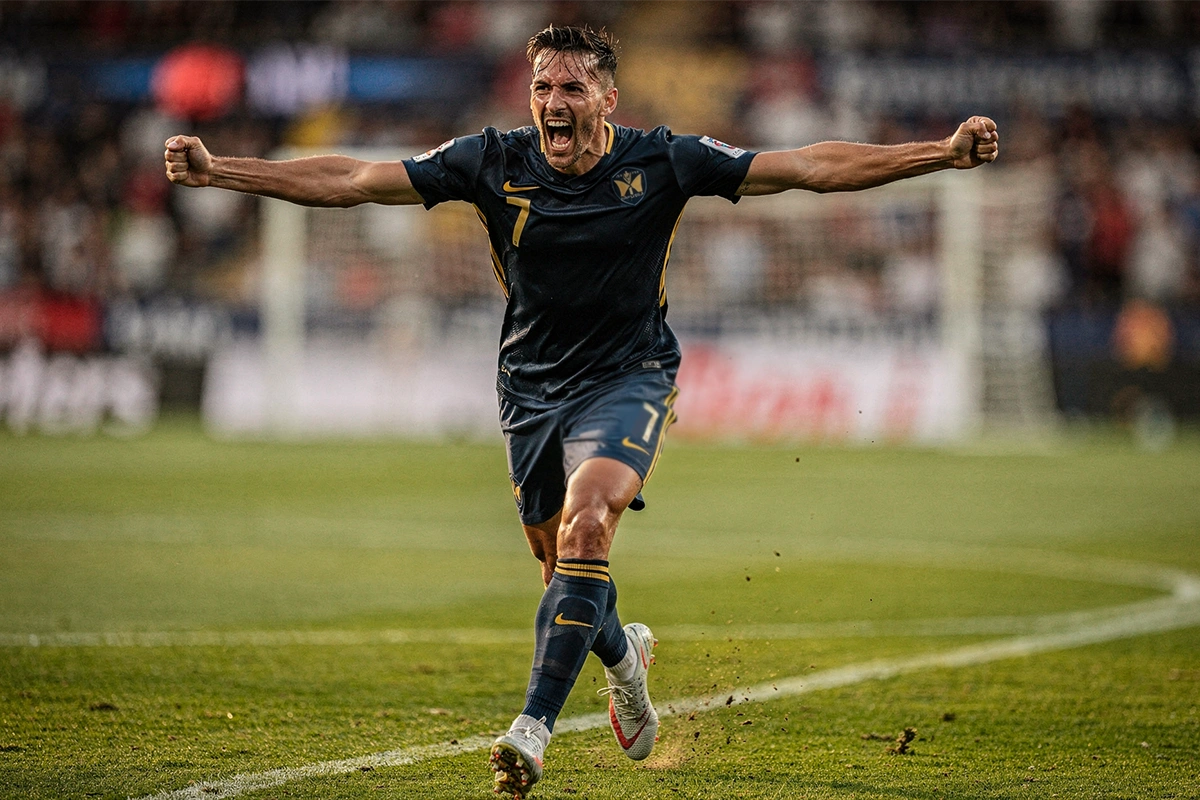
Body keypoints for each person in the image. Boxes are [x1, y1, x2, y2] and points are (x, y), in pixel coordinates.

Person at [164, 25, 999, 799]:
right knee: (566, 574)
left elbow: (807, 166)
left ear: (606, 100)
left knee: (588, 526)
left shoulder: (664, 160)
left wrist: (941, 154)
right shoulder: (489, 160)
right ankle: (626, 661)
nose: (551, 103)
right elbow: (353, 178)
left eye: (569, 88)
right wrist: (222, 171)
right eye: (540, 87)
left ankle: (531, 730)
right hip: (529, 389)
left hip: (630, 376)